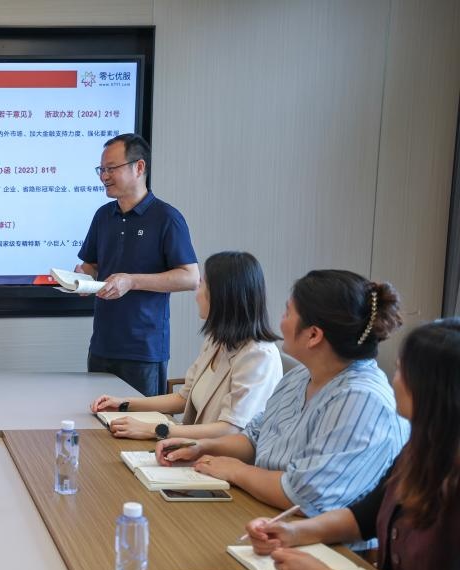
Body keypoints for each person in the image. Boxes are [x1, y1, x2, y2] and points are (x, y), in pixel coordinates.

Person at [242, 319, 460, 570]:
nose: (393, 380)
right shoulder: (422, 447)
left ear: (434, 389)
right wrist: (293, 533)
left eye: (401, 371)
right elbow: (366, 516)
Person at [158, 270, 409, 526]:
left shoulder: (360, 399)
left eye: (288, 313)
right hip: (264, 511)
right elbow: (254, 437)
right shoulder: (302, 376)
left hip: (314, 536)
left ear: (313, 335)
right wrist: (202, 447)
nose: (280, 322)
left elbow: (304, 496)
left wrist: (236, 470)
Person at [91, 251, 282, 440]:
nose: (197, 294)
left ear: (224, 296)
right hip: (195, 449)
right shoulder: (217, 340)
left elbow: (231, 430)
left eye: (203, 285)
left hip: (220, 456)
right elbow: (183, 398)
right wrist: (124, 404)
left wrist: (153, 430)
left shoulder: (259, 356)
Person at [76, 133, 199, 396]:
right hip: (102, 344)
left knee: (141, 419)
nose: (104, 176)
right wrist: (81, 278)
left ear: (139, 167)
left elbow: (190, 277)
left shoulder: (167, 218)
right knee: (97, 417)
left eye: (111, 168)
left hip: (143, 349)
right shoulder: (103, 216)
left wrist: (132, 281)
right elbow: (91, 265)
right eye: (101, 169)